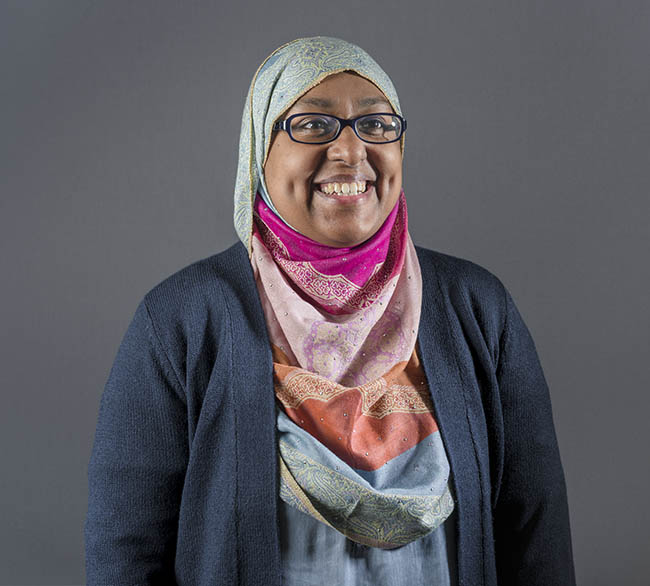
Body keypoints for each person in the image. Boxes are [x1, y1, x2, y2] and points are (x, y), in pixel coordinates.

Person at [85, 36, 577, 585]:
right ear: (259, 149)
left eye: (377, 124)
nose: (350, 150)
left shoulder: (478, 310)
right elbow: (125, 555)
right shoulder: (180, 321)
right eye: (314, 125)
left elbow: (536, 539)